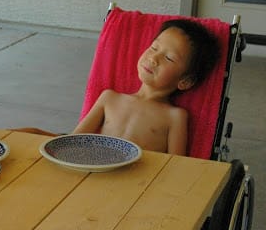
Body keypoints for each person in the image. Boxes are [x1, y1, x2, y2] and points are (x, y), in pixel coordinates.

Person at [73, 18, 220, 155]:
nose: (154, 58)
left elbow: (176, 165)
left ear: (185, 81)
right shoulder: (109, 98)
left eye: (169, 58)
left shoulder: (174, 117)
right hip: (95, 172)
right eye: (154, 48)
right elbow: (74, 141)